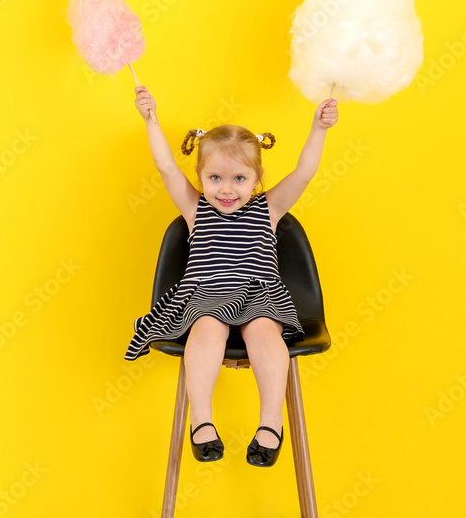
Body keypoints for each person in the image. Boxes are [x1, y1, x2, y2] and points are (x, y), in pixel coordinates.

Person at [124, 84, 338, 467]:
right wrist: (151, 119)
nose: (226, 190)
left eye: (239, 179)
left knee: (264, 333)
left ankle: (271, 422)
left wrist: (319, 128)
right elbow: (166, 168)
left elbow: (304, 172)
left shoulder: (269, 209)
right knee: (205, 329)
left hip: (259, 296)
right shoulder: (196, 210)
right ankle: (201, 419)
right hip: (206, 296)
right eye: (215, 178)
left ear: (257, 178)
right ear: (201, 177)